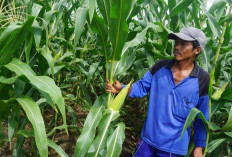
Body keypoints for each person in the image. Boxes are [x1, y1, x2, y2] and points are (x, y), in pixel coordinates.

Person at [106, 27, 209, 157]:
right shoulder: (160, 66)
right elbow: (141, 87)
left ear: (197, 50)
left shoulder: (202, 78)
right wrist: (122, 89)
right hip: (147, 141)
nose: (177, 47)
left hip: (173, 148)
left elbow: (202, 115)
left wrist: (199, 147)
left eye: (183, 44)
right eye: (176, 42)